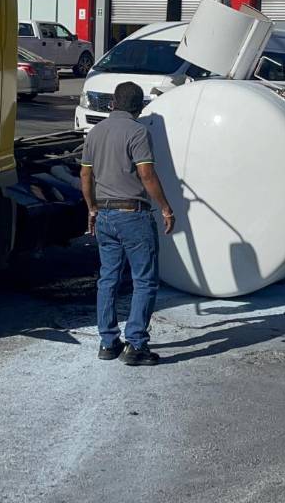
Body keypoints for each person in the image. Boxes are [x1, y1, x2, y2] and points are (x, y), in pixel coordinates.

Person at [80, 81, 175, 366]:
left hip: (105, 216)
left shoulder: (95, 132)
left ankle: (108, 342)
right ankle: (135, 345)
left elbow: (85, 176)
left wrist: (92, 208)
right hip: (133, 214)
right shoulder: (138, 132)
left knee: (108, 278)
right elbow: (146, 174)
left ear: (113, 104)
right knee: (144, 280)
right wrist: (166, 208)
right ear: (139, 107)